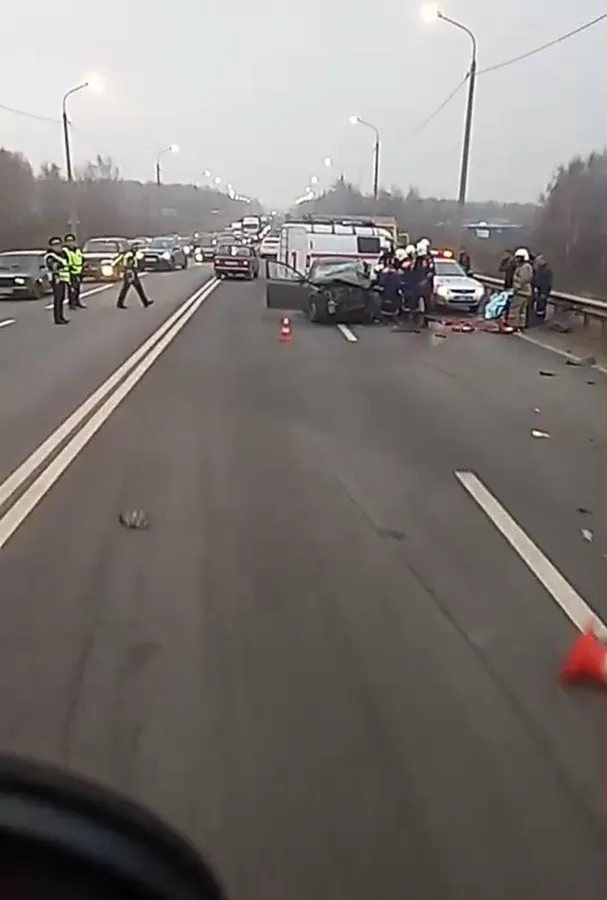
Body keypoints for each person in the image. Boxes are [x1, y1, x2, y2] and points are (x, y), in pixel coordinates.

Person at [44, 236, 71, 325]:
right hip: (56, 279)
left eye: (59, 244)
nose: (57, 246)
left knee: (62, 298)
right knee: (58, 299)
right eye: (55, 245)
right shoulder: (50, 256)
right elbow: (53, 267)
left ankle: (61, 316)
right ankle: (57, 318)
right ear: (51, 246)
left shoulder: (62, 254)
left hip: (63, 279)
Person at [507, 247, 534, 330]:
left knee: (515, 308)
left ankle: (514, 325)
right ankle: (520, 325)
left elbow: (523, 279)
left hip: (521, 292)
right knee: (522, 310)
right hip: (525, 292)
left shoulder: (525, 267)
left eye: (518, 257)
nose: (516, 259)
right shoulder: (525, 266)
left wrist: (515, 288)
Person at [63, 233, 86, 309]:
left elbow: (82, 258)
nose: (70, 242)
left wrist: (83, 266)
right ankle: (71, 303)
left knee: (78, 288)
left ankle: (77, 301)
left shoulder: (77, 250)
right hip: (70, 272)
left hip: (79, 271)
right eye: (68, 241)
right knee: (72, 289)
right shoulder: (65, 251)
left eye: (72, 240)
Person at [532, 254, 553, 323]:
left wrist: (543, 293)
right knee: (540, 305)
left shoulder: (544, 272)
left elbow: (545, 283)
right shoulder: (541, 271)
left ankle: (539, 320)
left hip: (542, 292)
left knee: (541, 306)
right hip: (540, 291)